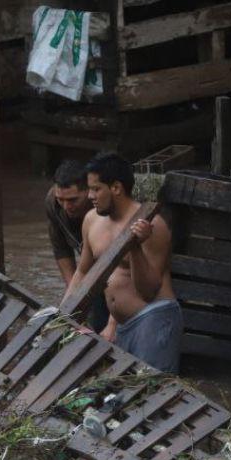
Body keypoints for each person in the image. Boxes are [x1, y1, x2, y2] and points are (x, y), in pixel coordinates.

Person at [65, 151, 183, 373]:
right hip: (123, 324)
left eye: (96, 189)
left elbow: (148, 290)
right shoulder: (91, 221)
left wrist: (135, 246)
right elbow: (82, 273)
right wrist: (63, 316)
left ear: (116, 188)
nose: (90, 196)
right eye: (89, 189)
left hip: (153, 318)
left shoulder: (152, 225)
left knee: (152, 396)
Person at [46, 159, 110, 333]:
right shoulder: (53, 204)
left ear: (89, 191)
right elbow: (61, 249)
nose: (67, 206)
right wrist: (74, 296)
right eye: (61, 199)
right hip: (88, 267)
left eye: (73, 200)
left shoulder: (103, 208)